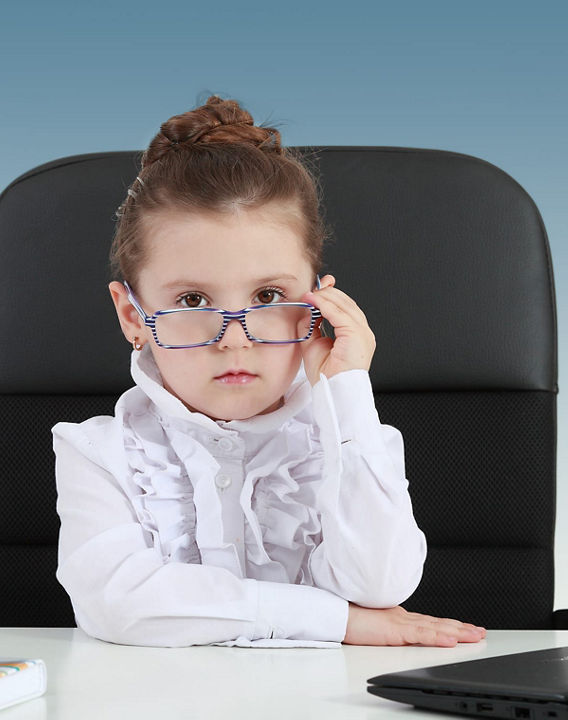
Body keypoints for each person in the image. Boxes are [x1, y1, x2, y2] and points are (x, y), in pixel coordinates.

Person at [52, 95, 486, 648]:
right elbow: (118, 605)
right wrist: (338, 622)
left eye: (268, 294)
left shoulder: (342, 440)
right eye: (190, 299)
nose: (235, 337)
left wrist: (347, 389)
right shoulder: (98, 453)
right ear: (132, 315)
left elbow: (381, 584)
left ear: (318, 303)